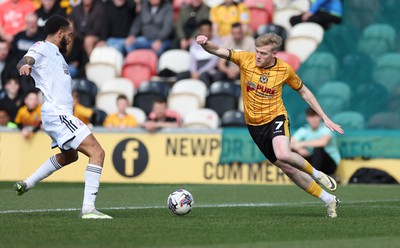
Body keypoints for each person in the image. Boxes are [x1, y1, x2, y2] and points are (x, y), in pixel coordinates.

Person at [196, 33, 344, 218]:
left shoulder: (284, 70)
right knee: (288, 169)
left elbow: (304, 91)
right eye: (257, 51)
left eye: (263, 53)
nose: (258, 56)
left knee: (283, 153)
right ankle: (328, 199)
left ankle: (316, 173)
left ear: (274, 53)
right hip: (254, 125)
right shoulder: (245, 59)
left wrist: (325, 117)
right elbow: (218, 49)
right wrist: (205, 43)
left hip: (276, 117)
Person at [15, 15, 112, 219]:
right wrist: (25, 65)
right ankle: (88, 208)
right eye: (68, 35)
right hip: (57, 113)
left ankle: (27, 183)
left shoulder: (56, 54)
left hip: (57, 114)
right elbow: (27, 58)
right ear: (59, 33)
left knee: (70, 156)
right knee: (97, 152)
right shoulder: (43, 47)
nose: (70, 38)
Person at [291, 108, 341, 177]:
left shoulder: (326, 128)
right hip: (313, 162)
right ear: (307, 118)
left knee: (318, 149)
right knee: (293, 150)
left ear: (320, 117)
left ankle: (313, 177)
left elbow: (323, 142)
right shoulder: (304, 129)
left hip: (330, 164)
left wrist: (301, 144)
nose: (314, 119)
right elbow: (290, 142)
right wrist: (298, 149)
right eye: (311, 116)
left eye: (316, 116)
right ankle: (298, 176)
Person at [176, 19, 222, 87]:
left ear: (211, 30)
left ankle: (205, 96)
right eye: (202, 30)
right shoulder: (195, 43)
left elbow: (213, 62)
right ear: (199, 31)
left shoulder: (217, 42)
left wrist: (199, 72)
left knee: (204, 76)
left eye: (207, 30)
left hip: (209, 70)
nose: (205, 33)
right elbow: (192, 60)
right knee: (180, 76)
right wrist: (193, 72)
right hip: (196, 69)